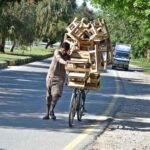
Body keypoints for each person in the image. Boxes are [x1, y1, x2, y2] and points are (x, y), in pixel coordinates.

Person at [43, 42, 71, 120]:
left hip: (60, 78)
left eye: (66, 51)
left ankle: (52, 109)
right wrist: (65, 62)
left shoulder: (68, 57)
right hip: (50, 76)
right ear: (61, 48)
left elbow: (70, 68)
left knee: (56, 94)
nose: (64, 52)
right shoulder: (57, 52)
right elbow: (59, 59)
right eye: (63, 50)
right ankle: (47, 114)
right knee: (48, 96)